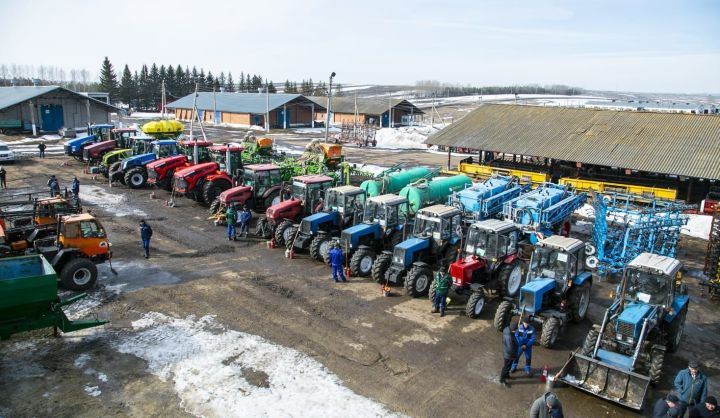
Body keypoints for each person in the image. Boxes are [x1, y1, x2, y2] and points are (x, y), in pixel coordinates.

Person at [500, 322, 518, 388]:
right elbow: (510, 348)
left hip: (507, 352)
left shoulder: (507, 330)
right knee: (506, 367)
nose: (516, 331)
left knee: (508, 366)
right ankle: (502, 379)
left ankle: (507, 375)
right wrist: (515, 355)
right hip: (509, 354)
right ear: (513, 330)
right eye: (516, 330)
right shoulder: (509, 337)